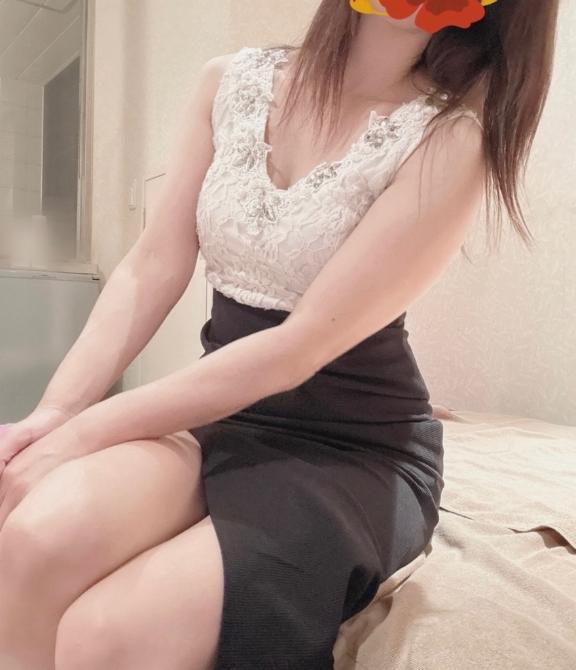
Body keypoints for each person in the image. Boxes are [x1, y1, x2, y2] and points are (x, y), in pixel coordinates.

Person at [0, 1, 559, 668]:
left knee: (106, 635)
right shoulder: (230, 82)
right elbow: (152, 265)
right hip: (224, 415)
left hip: (351, 447)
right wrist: (56, 414)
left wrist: (82, 435)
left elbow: (297, 350)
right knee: (34, 537)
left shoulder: (447, 138)